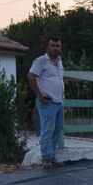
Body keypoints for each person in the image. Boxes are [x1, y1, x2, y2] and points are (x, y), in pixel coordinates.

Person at [28, 36, 65, 168]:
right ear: (47, 47)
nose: (55, 48)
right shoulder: (41, 61)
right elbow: (31, 77)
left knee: (57, 129)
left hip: (59, 102)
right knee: (47, 131)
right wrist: (40, 96)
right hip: (47, 102)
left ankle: (52, 156)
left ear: (60, 47)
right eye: (52, 45)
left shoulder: (59, 61)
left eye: (57, 45)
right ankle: (46, 159)